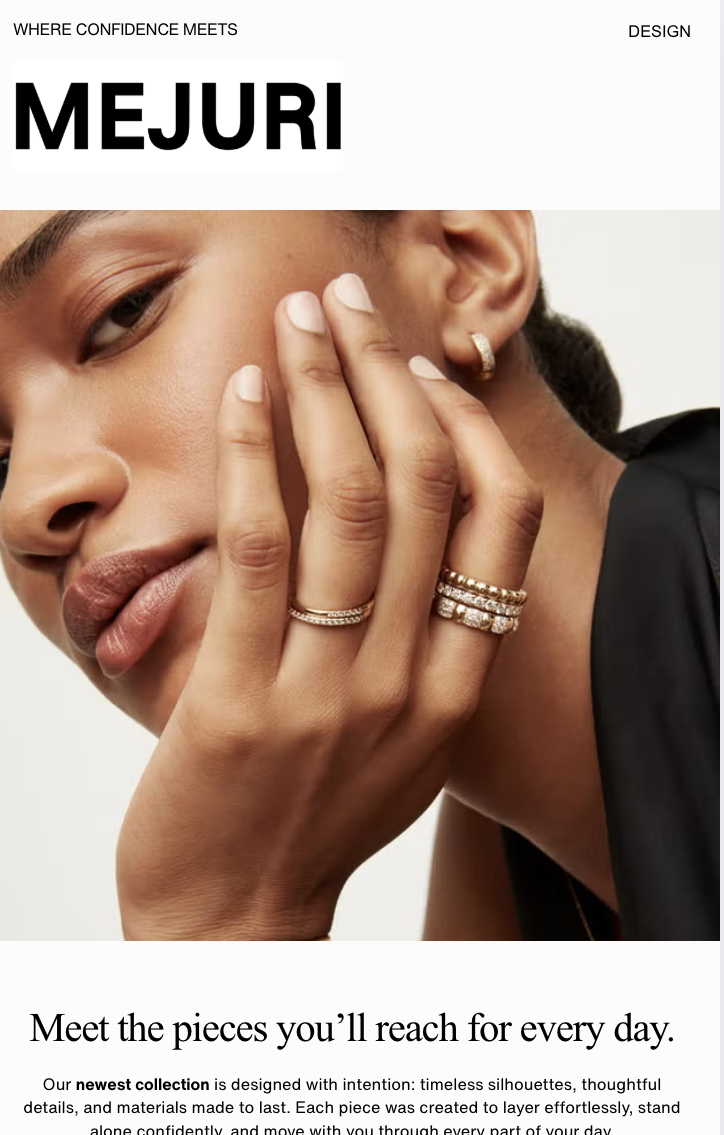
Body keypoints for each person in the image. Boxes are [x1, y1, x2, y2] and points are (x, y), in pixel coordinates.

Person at [0, 210, 717, 941]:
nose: (25, 504)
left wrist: (218, 922)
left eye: (122, 311)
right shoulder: (507, 859)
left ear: (467, 261)